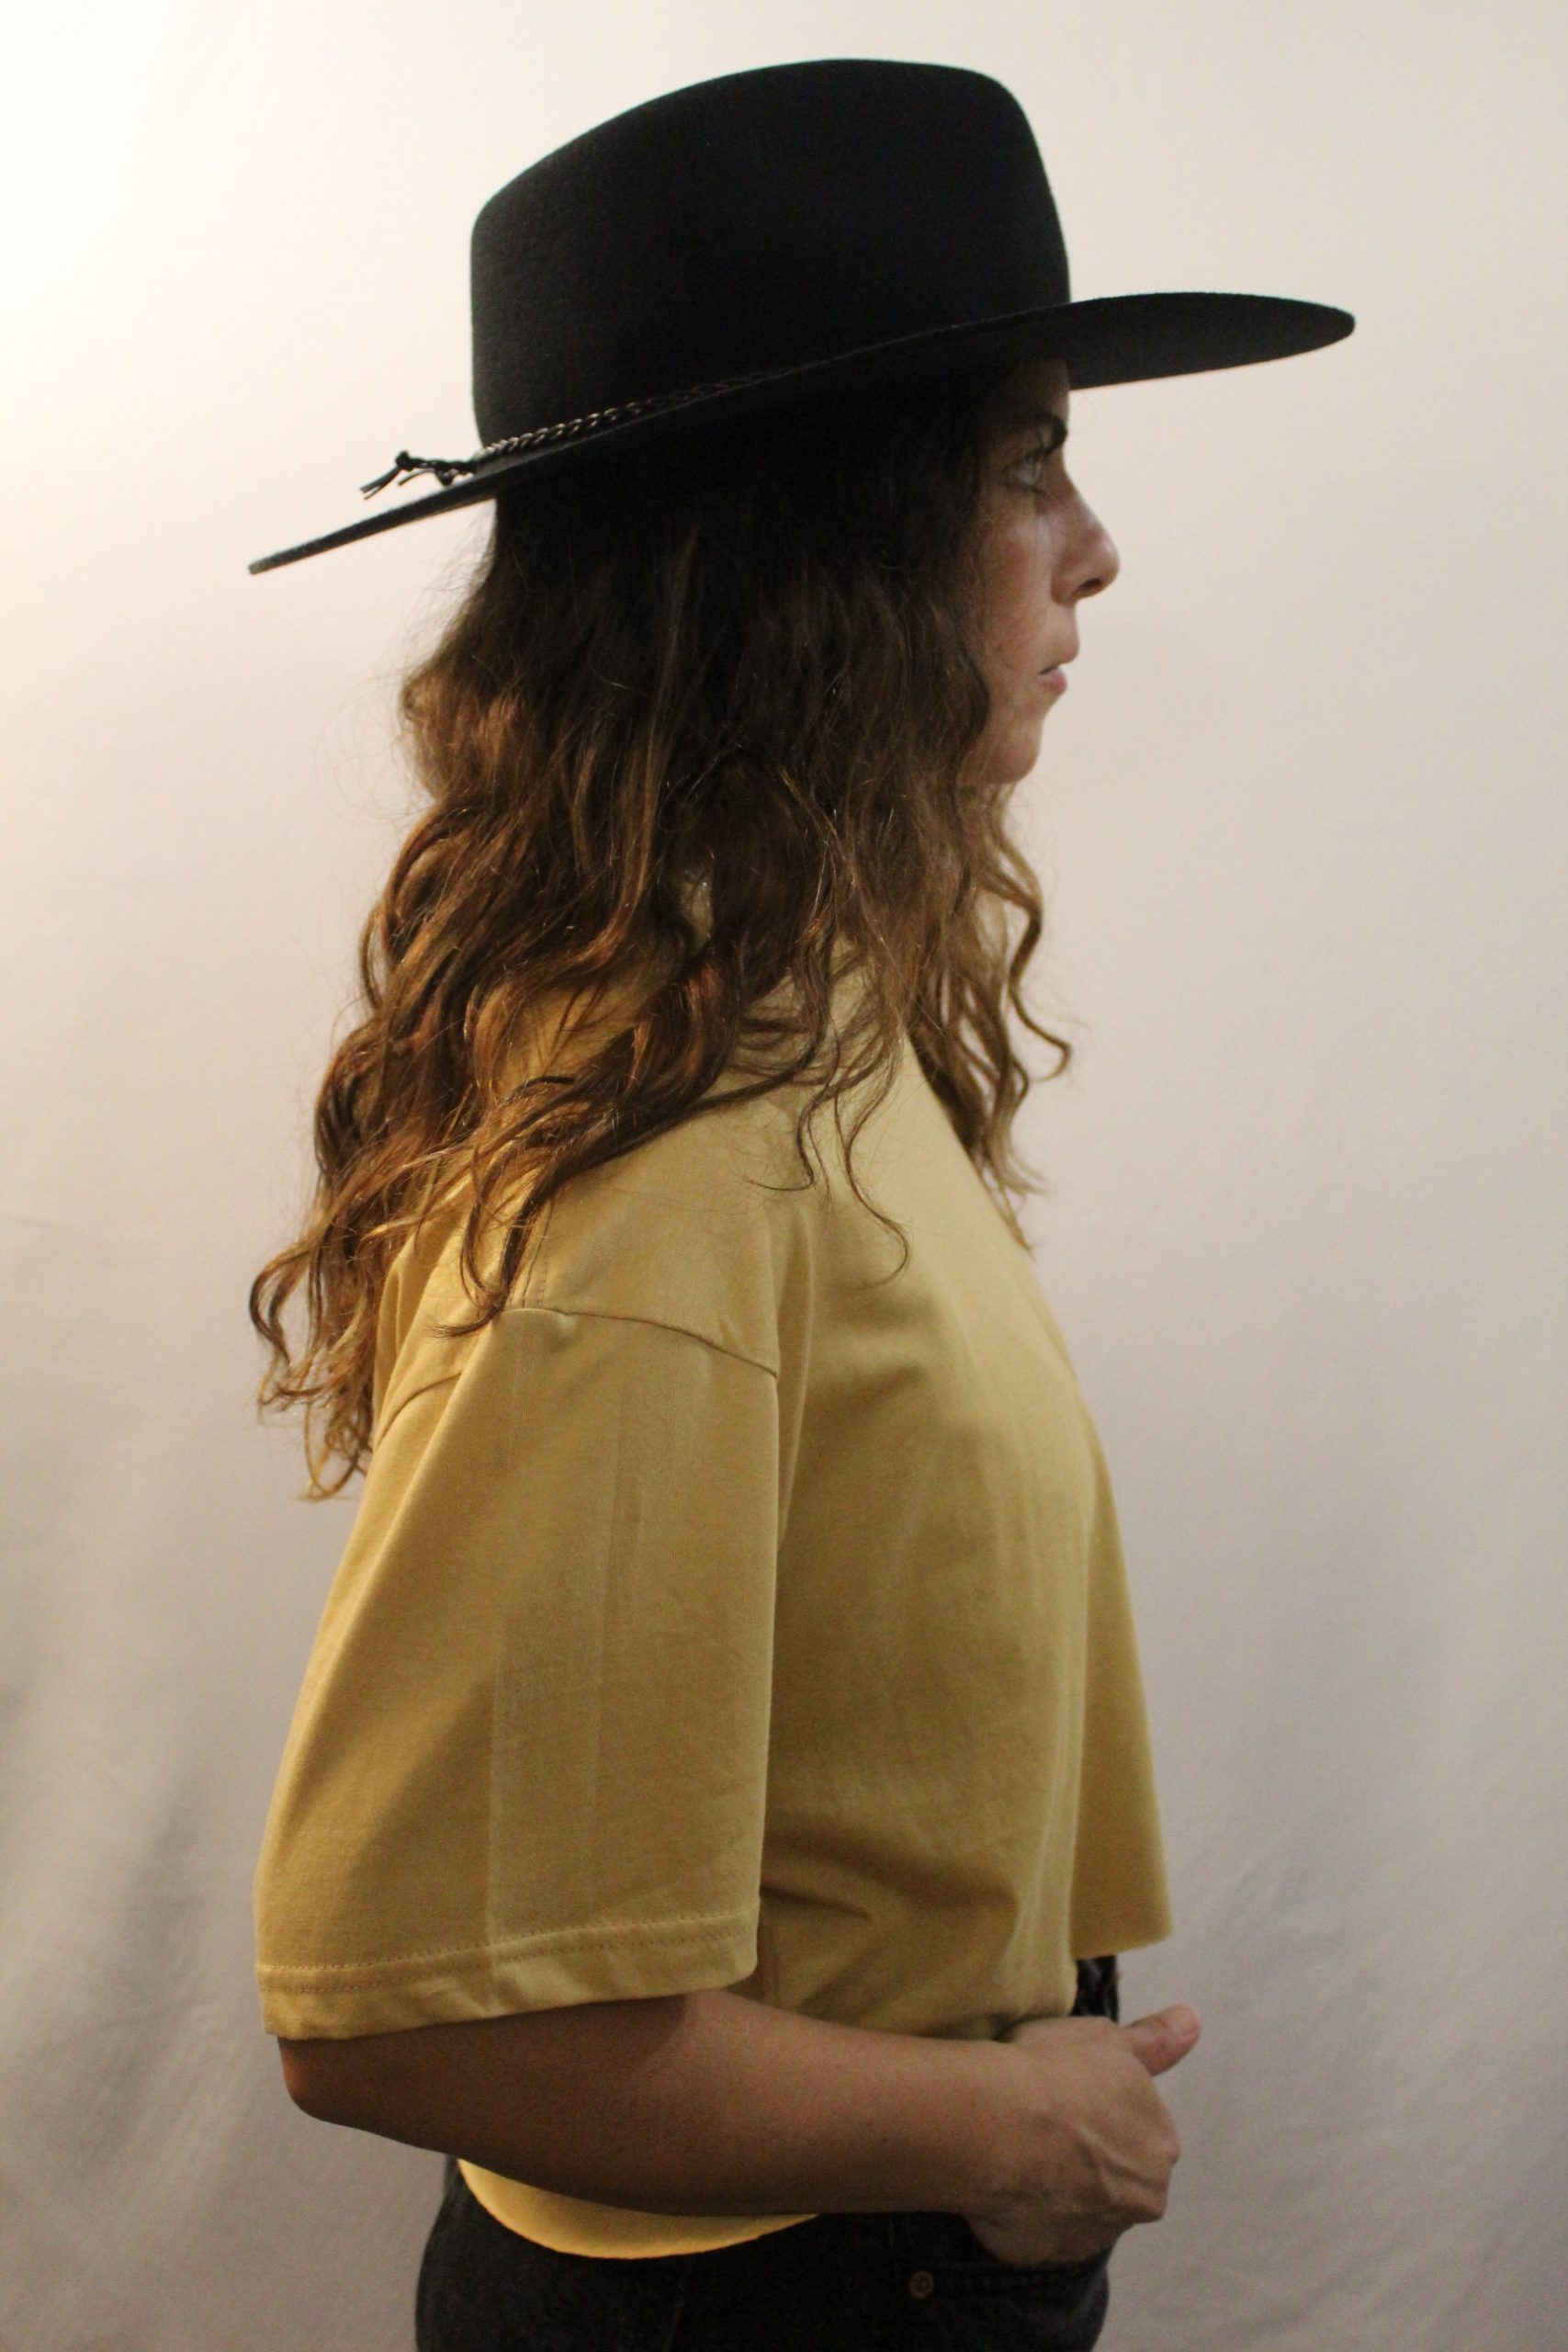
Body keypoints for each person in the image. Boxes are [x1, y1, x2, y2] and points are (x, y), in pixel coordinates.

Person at [244, 57, 1352, 2352]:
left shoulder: (794, 1022)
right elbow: (402, 2011)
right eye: (1023, 462)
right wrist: (1003, 2130)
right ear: (815, 550)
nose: (1092, 545)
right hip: (780, 2296)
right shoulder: (670, 1172)